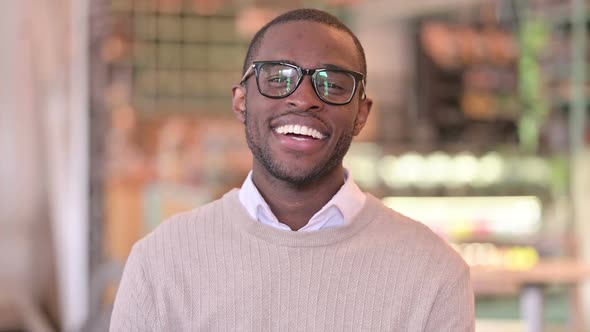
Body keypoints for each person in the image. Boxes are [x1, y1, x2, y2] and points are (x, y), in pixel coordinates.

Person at [110, 8, 475, 331]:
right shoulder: (162, 261)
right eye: (278, 78)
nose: (303, 98)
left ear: (361, 114)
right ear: (241, 101)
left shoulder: (433, 274)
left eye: (332, 84)